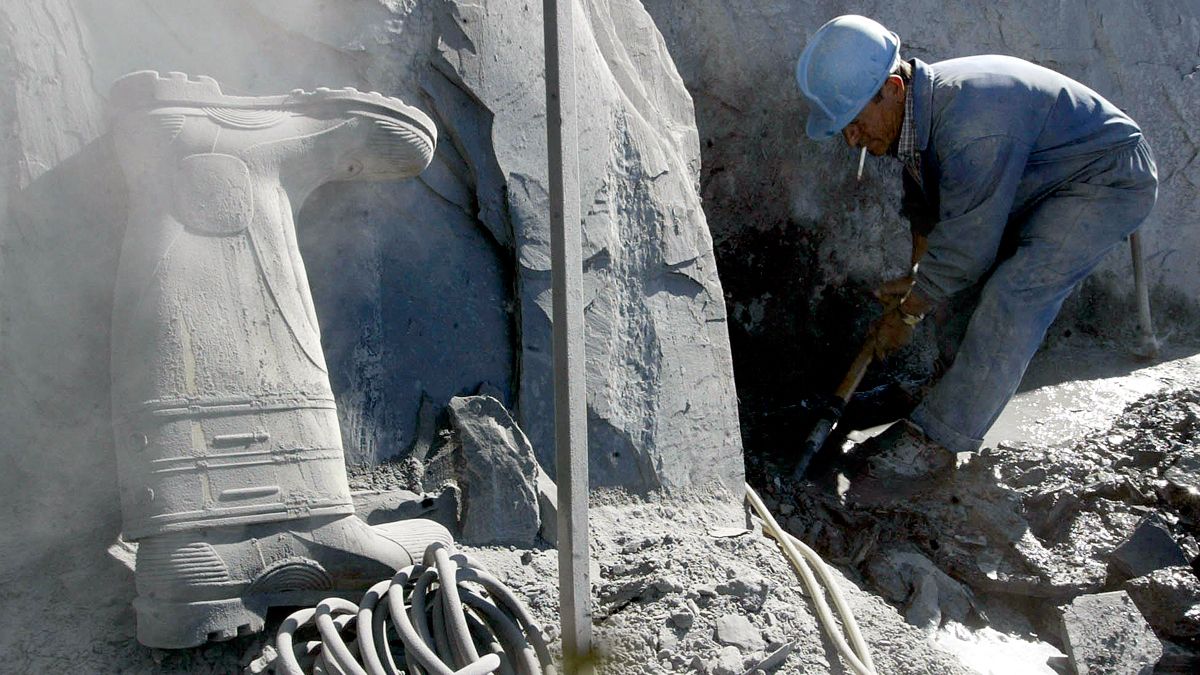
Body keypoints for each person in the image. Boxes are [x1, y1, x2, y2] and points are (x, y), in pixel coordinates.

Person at [794, 15, 1158, 500]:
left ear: (893, 89)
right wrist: (918, 280)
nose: (851, 140)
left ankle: (938, 440)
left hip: (1106, 177)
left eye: (855, 122)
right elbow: (930, 220)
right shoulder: (919, 116)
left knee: (1015, 293)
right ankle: (943, 388)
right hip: (1041, 179)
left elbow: (967, 248)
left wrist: (909, 313)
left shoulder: (971, 124)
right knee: (947, 280)